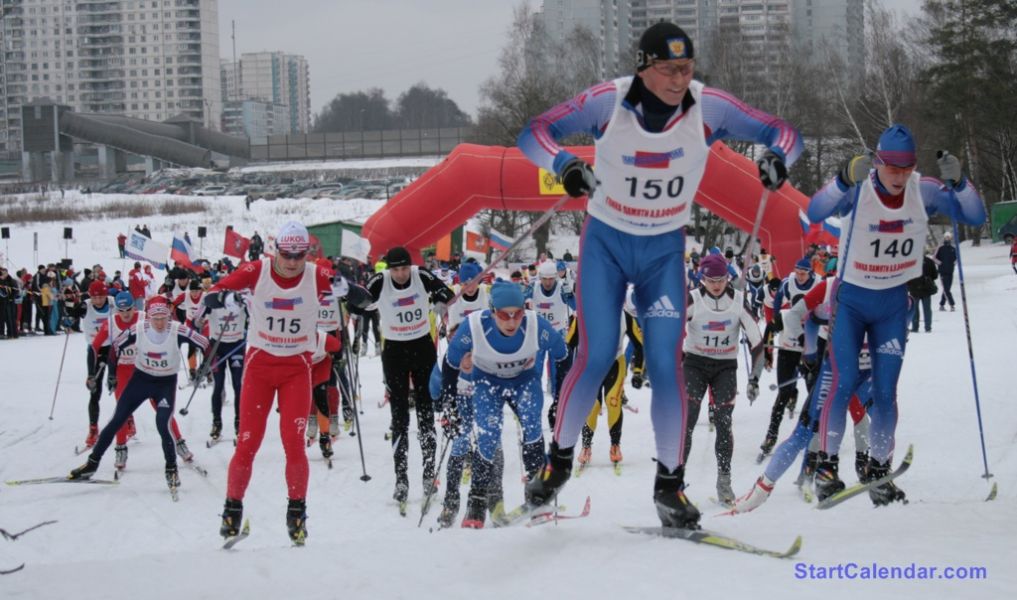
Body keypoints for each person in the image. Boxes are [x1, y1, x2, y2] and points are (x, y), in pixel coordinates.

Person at [517, 21, 802, 528]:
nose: (679, 78)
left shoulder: (707, 106)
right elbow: (534, 132)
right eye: (669, 69)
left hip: (664, 251)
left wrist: (781, 157)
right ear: (643, 67)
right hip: (606, 244)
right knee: (598, 352)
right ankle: (557, 464)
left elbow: (783, 132)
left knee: (670, 363)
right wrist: (563, 163)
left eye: (686, 68)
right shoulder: (608, 101)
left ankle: (670, 487)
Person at [807, 125, 986, 504]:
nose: (900, 177)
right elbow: (814, 211)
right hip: (852, 301)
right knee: (844, 382)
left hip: (892, 304)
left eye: (907, 168)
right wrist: (840, 181)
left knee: (886, 393)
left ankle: (878, 471)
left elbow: (974, 215)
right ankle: (825, 467)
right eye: (893, 168)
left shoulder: (925, 190)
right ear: (878, 162)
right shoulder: (858, 188)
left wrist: (961, 184)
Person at [201, 221, 333, 544]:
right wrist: (225, 300)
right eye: (286, 255)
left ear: (307, 253)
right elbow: (212, 294)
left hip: (295, 371)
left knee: (293, 442)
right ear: (276, 252)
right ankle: (232, 512)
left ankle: (297, 514)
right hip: (260, 368)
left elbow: (358, 293)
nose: (291, 263)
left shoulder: (315, 274)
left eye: (298, 256)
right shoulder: (256, 270)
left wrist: (353, 293)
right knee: (247, 442)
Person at [439, 282, 569, 528]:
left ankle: (538, 496)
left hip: (524, 382)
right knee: (488, 437)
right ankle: (476, 505)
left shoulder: (536, 325)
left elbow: (563, 356)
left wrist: (561, 398)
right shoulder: (475, 326)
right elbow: (450, 364)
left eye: (517, 313)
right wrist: (450, 404)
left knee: (532, 426)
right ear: (491, 311)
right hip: (488, 384)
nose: (511, 321)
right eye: (503, 315)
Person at [70, 296, 209, 494]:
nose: (160, 323)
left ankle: (171, 469)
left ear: (169, 316)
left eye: (164, 318)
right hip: (141, 380)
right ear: (148, 317)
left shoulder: (177, 329)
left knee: (163, 423)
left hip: (165, 384)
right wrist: (111, 375)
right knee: (117, 419)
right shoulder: (139, 328)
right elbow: (115, 348)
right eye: (155, 318)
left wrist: (206, 366)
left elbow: (205, 342)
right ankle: (92, 463)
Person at [366, 246, 455, 510]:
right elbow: (360, 303)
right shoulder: (380, 281)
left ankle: (429, 475)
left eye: (404, 268)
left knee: (426, 414)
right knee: (400, 416)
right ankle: (401, 478)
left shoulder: (422, 275)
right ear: (389, 269)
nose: (402, 274)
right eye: (396, 269)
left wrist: (441, 301)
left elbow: (447, 293)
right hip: (394, 351)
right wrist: (347, 298)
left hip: (421, 348)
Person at [681, 254, 764, 504]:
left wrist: (755, 378)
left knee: (724, 423)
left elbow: (756, 340)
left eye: (721, 279)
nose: (716, 285)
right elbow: (671, 331)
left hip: (725, 367)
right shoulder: (693, 299)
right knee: (688, 421)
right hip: (694, 364)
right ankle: (675, 481)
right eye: (710, 280)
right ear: (701, 278)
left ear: (728, 277)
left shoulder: (738, 300)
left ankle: (724, 481)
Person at [759, 257, 816, 459]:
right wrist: (767, 355)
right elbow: (771, 325)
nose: (800, 276)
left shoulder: (817, 287)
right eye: (798, 272)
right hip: (787, 349)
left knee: (814, 393)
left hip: (811, 348)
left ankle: (814, 434)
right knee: (783, 392)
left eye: (804, 273)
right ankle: (771, 435)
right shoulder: (786, 310)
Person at [907, 252, 938, 333]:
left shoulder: (910, 262)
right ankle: (928, 327)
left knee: (914, 309)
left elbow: (906, 276)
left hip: (914, 288)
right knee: (927, 309)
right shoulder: (929, 261)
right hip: (926, 289)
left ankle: (915, 327)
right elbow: (935, 275)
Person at [933, 233, 957, 309]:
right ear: (944, 238)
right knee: (946, 289)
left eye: (948, 237)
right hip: (943, 272)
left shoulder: (953, 249)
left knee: (947, 289)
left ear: (950, 238)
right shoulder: (940, 248)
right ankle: (952, 304)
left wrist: (953, 263)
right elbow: (934, 258)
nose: (947, 238)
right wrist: (940, 264)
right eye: (946, 237)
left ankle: (942, 304)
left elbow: (957, 258)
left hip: (950, 271)